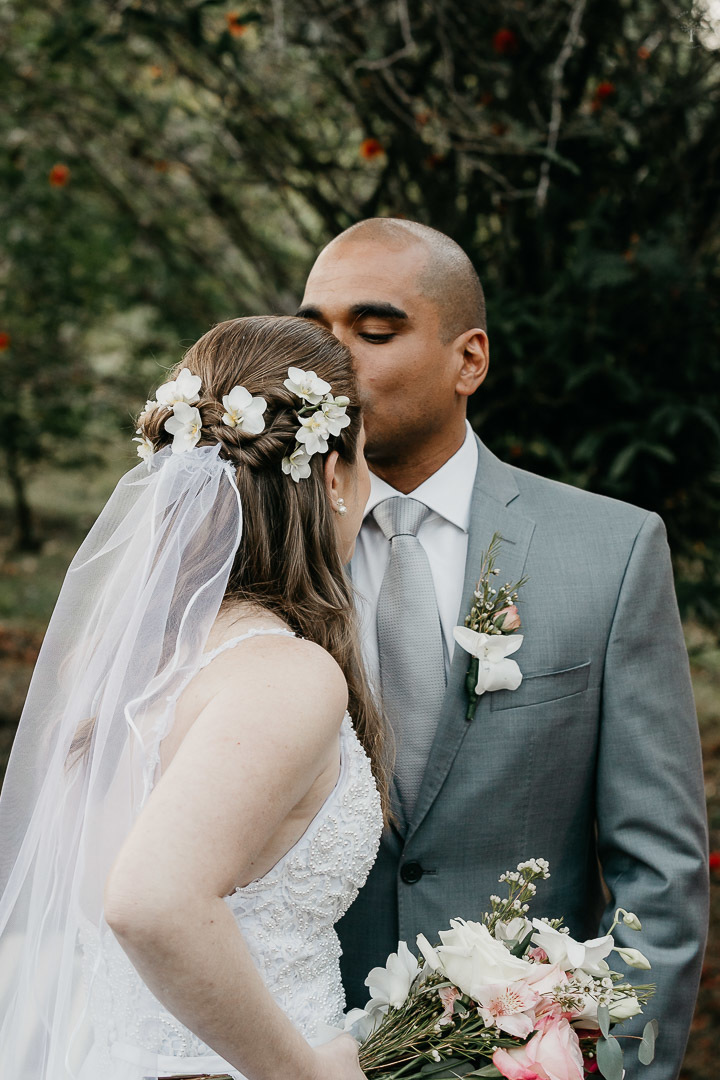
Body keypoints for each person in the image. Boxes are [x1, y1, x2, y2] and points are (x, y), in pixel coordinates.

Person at [297, 218, 710, 1080]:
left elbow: (657, 869)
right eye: (312, 334)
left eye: (373, 333)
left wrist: (625, 1069)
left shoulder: (612, 551)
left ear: (470, 360)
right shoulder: (264, 558)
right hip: (298, 1046)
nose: (331, 361)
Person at [0, 315, 387, 1080]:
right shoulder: (287, 673)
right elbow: (149, 902)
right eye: (368, 459)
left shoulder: (113, 665)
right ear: (333, 476)